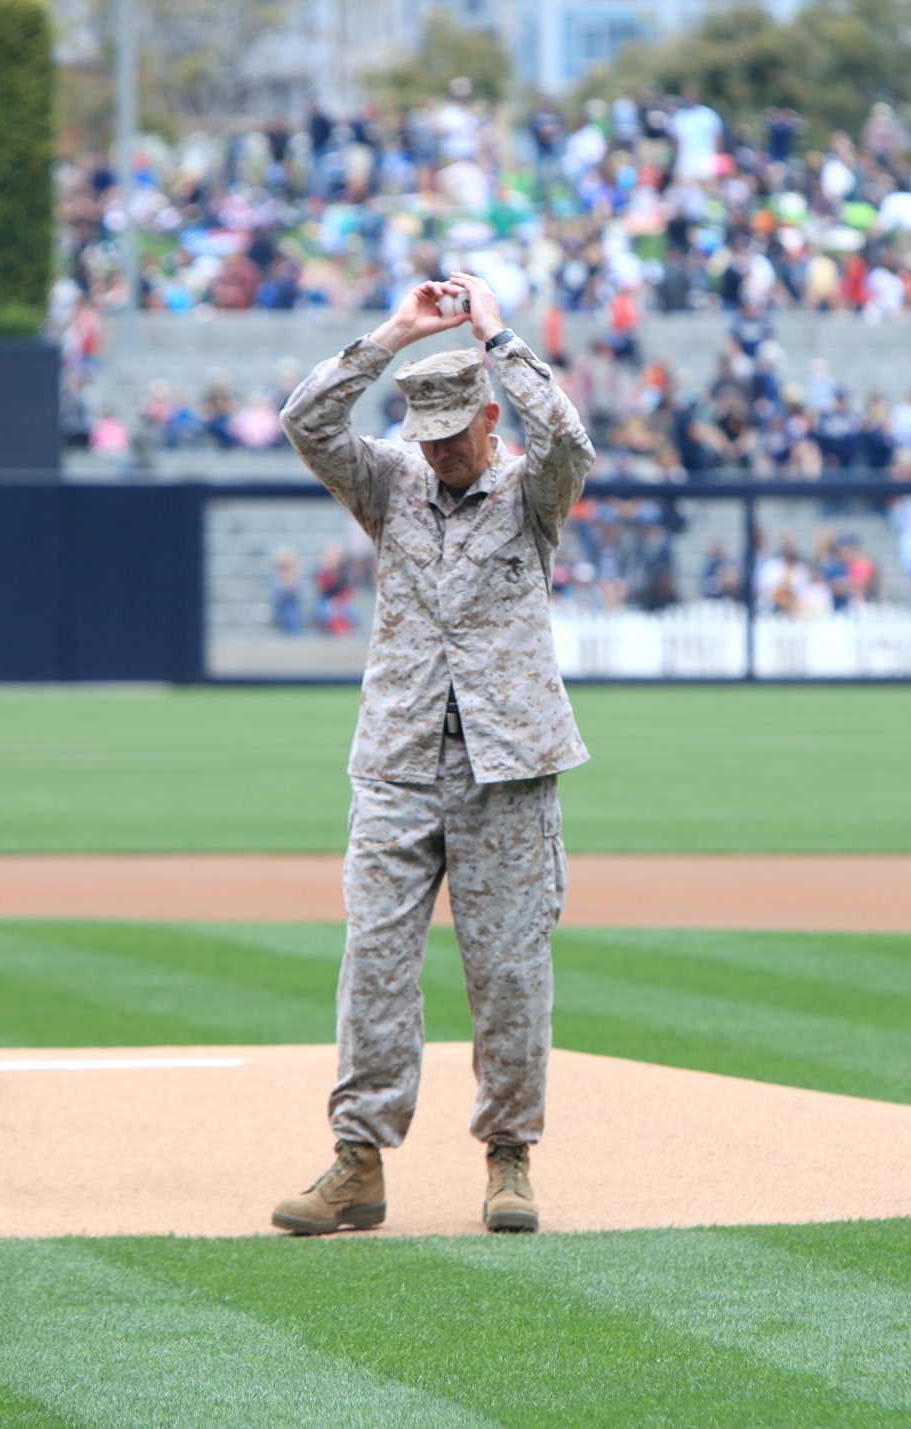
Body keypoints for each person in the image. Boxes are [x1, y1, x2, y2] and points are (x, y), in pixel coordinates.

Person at [272, 271, 592, 1236]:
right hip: (400, 756)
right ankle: (358, 1161)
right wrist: (398, 332)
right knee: (373, 959)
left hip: (510, 764)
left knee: (508, 970)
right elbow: (306, 423)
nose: (443, 452)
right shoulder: (391, 480)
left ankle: (509, 1158)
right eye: (430, 435)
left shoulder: (533, 490)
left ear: (491, 419)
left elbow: (572, 441)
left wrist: (496, 332)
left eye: (458, 433)